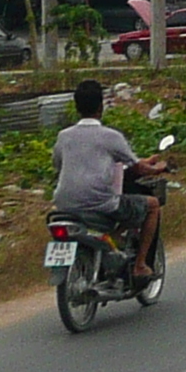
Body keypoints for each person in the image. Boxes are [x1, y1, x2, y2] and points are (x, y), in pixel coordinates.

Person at [49, 81, 162, 281]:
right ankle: (140, 265)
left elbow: (58, 165)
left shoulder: (63, 136)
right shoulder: (111, 136)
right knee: (152, 206)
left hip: (64, 204)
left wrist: (141, 162)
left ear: (76, 107)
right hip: (100, 204)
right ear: (101, 107)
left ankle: (115, 239)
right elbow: (137, 167)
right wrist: (156, 168)